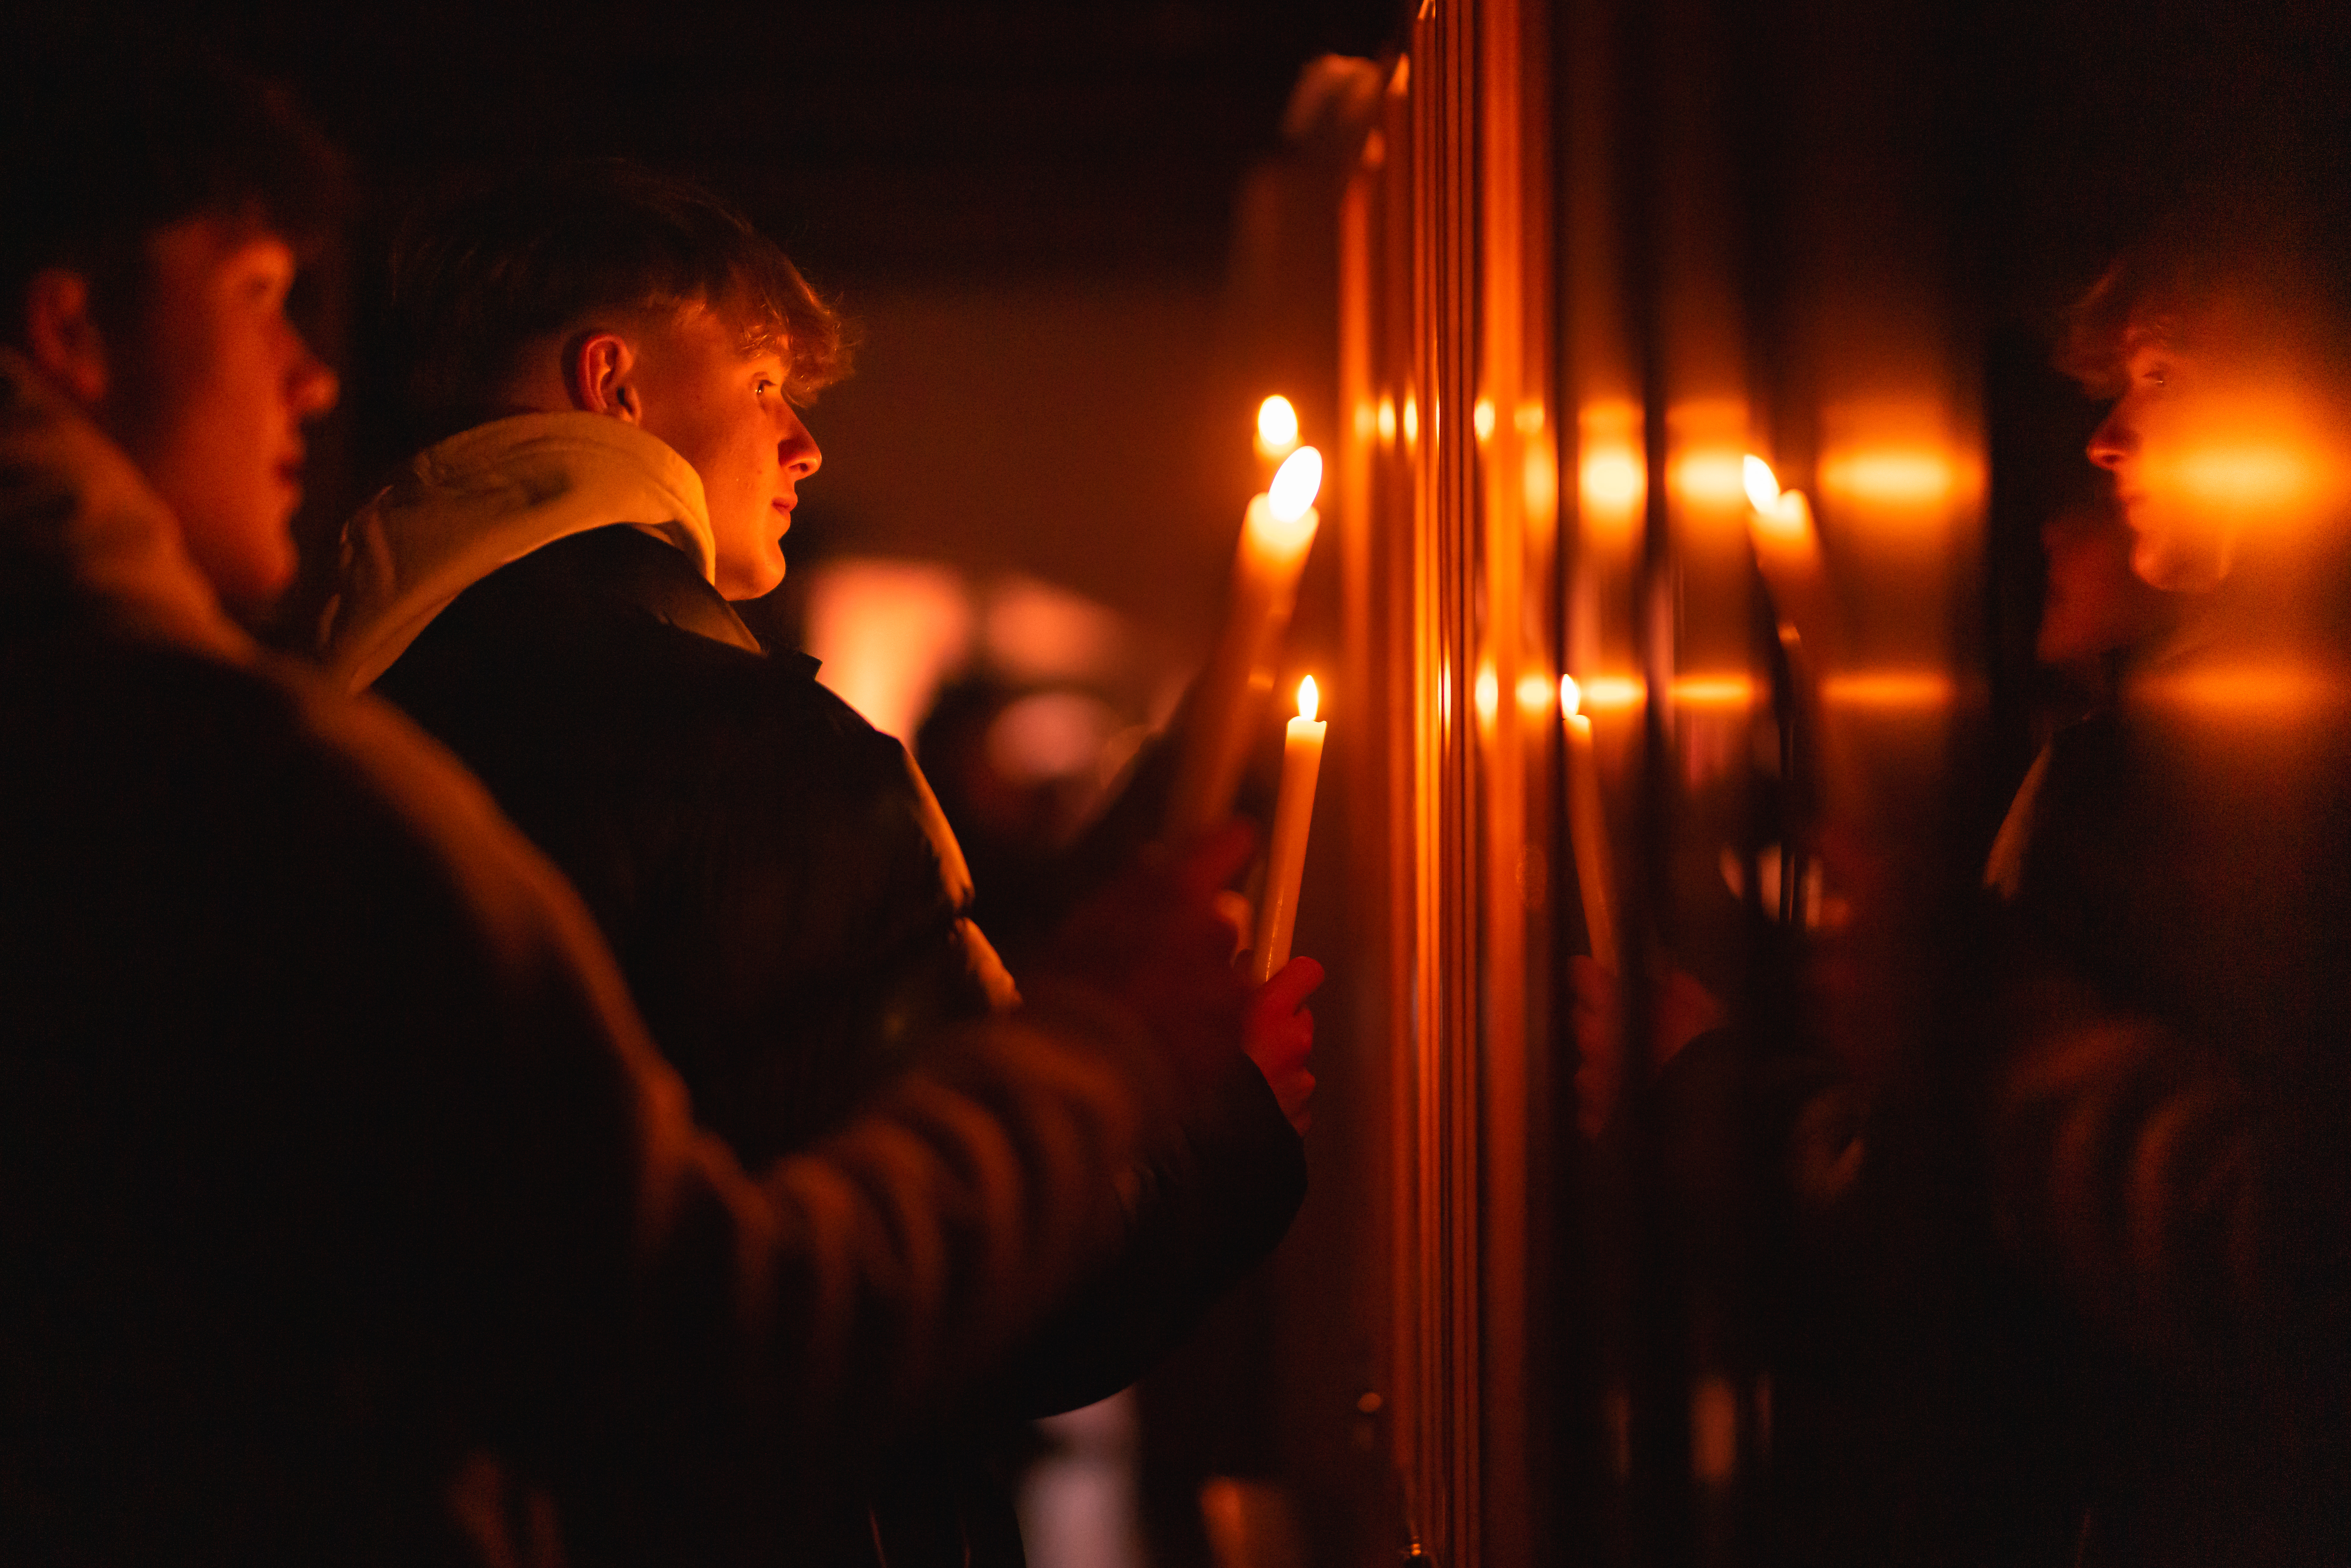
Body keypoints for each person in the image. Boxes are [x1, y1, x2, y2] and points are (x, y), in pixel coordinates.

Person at [0, 37, 1288, 1568]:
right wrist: (1155, 1083)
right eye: (260, 295)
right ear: (609, 383)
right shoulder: (305, 777)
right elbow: (775, 1330)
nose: (312, 374)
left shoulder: (338, 703)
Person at [316, 161, 1319, 1562]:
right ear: (612, 383)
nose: (805, 446)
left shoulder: (323, 728)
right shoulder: (770, 760)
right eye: (769, 379)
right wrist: (1220, 1118)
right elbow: (964, 1298)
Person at [1991, 204, 2351, 1565]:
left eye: (2164, 380)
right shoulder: (2177, 763)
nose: (2106, 440)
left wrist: (1972, 1005)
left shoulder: (2191, 782)